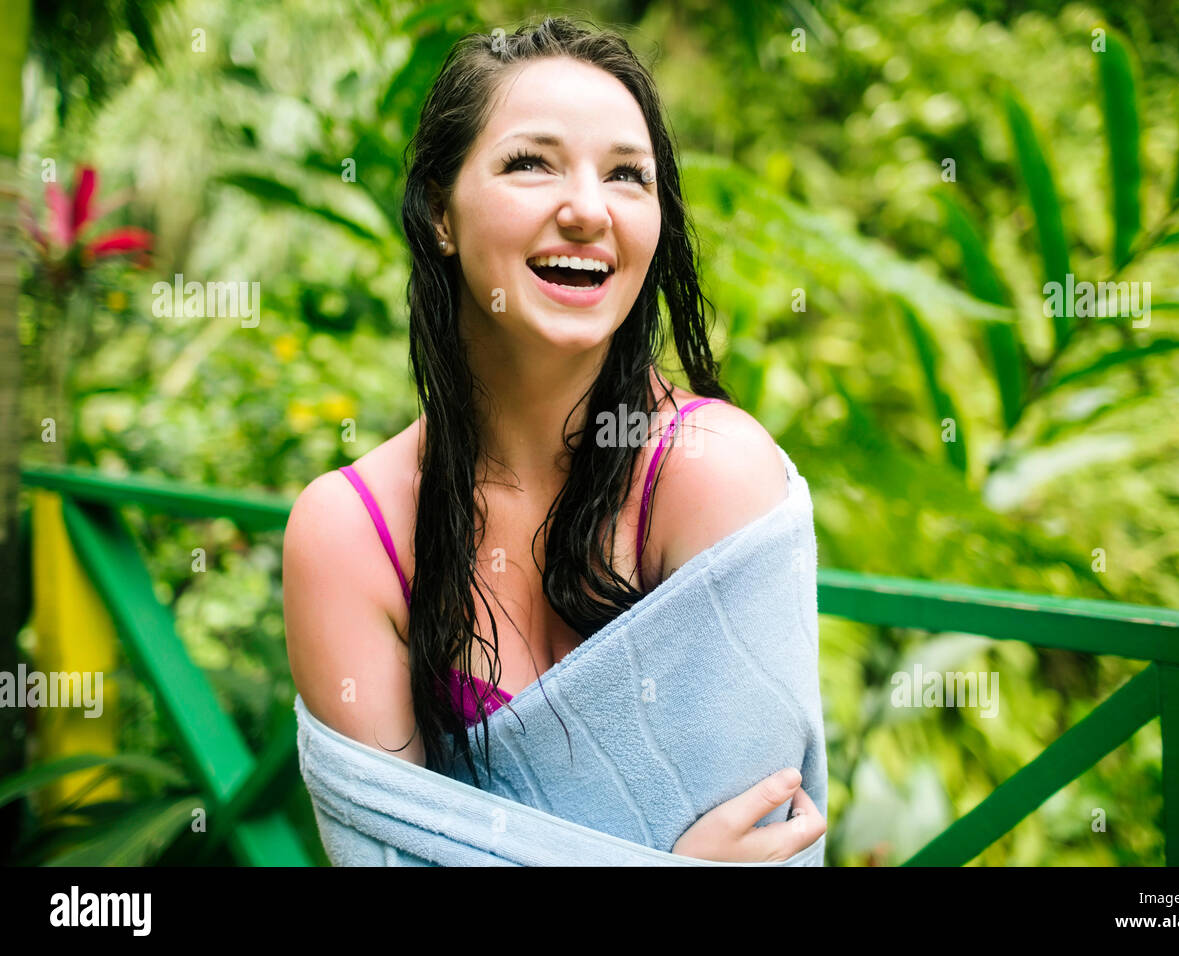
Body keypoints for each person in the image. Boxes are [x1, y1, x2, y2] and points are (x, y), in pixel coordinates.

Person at [283, 16, 825, 863]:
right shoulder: (352, 535)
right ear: (439, 213)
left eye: (626, 176)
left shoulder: (711, 475)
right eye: (530, 164)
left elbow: (767, 845)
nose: (586, 209)